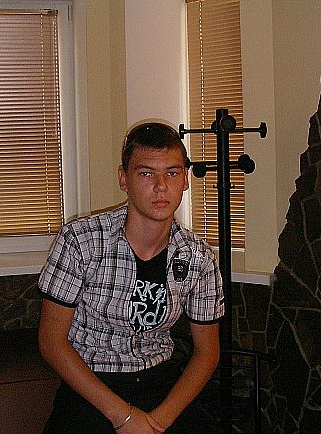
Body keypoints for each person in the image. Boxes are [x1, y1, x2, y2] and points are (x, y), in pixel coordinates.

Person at [37, 121, 224, 433]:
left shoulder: (198, 257)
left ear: (185, 180)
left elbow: (207, 353)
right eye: (146, 173)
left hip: (160, 382)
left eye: (172, 173)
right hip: (91, 384)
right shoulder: (80, 241)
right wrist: (123, 417)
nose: (161, 186)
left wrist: (159, 422)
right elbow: (51, 342)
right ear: (124, 179)